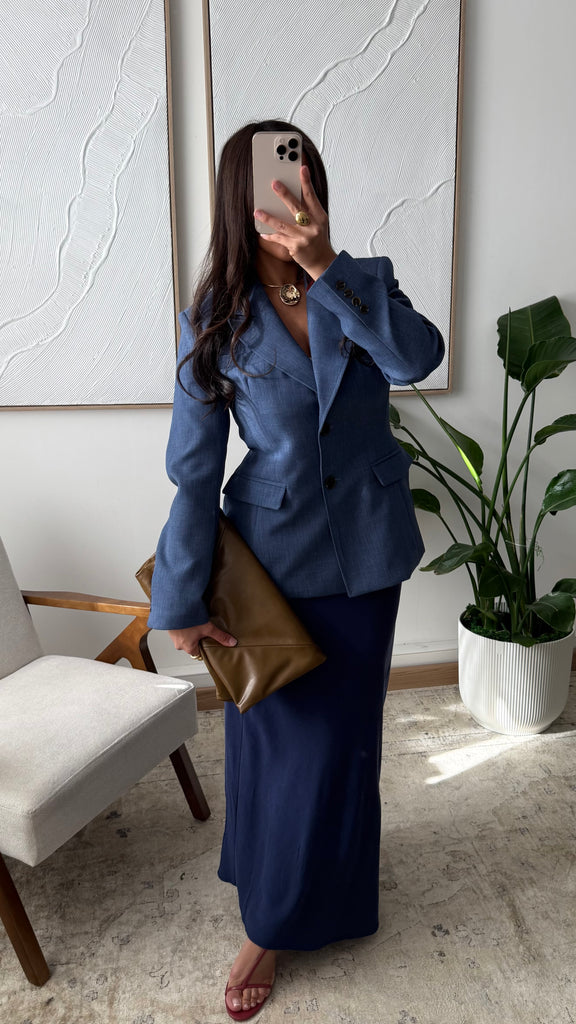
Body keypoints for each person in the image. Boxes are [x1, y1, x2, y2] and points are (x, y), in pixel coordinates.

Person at [148, 119, 444, 1019]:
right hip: (273, 569)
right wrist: (180, 597)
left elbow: (417, 358)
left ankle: (335, 894)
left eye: (304, 173)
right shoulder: (215, 316)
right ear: (242, 195)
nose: (292, 189)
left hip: (370, 554)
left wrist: (325, 267)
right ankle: (269, 920)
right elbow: (194, 471)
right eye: (276, 178)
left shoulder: (364, 281)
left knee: (346, 744)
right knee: (282, 753)